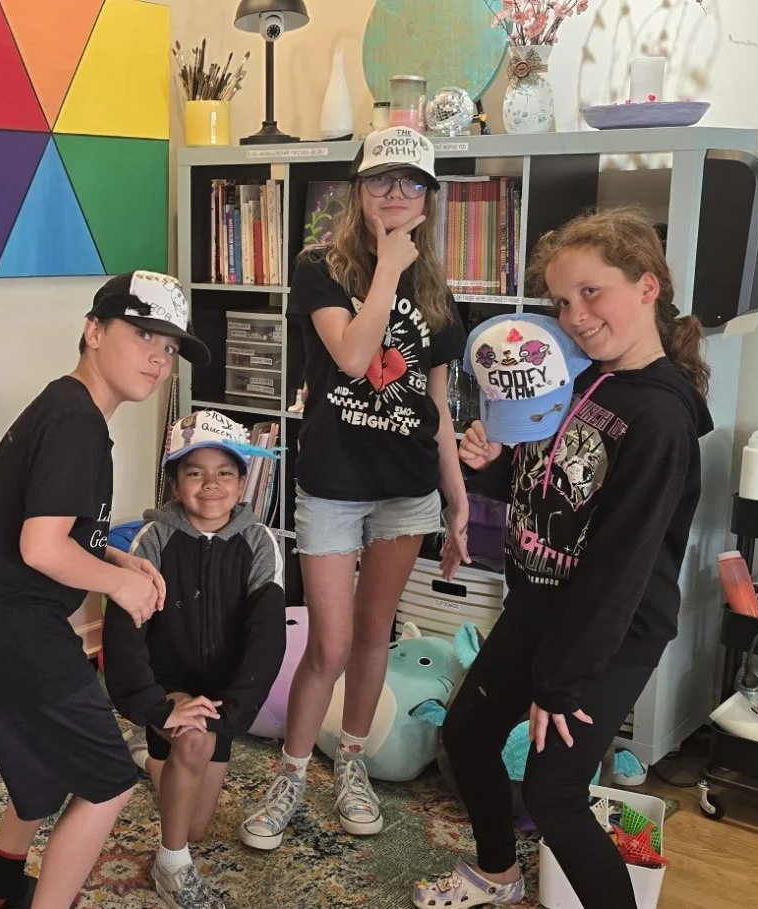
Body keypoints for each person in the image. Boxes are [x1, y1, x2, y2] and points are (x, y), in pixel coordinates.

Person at [410, 208, 712, 909]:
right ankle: (496, 872)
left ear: (647, 287)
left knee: (553, 794)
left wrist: (561, 681)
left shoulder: (661, 419)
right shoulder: (574, 377)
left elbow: (619, 564)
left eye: (591, 292)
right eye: (561, 300)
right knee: (467, 733)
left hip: (606, 632)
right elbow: (546, 481)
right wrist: (487, 468)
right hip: (539, 607)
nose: (574, 315)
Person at [0, 271, 208, 909]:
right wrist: (118, 584)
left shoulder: (68, 407)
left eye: (169, 348)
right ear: (93, 331)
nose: (157, 358)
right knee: (108, 780)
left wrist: (115, 554)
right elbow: (40, 548)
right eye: (143, 334)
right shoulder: (76, 423)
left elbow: (52, 527)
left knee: (47, 769)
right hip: (9, 624)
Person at [243, 126, 471, 851]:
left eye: (410, 184)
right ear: (357, 189)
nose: (394, 195)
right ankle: (290, 773)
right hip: (334, 487)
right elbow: (348, 355)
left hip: (407, 491)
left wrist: (457, 498)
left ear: (429, 198)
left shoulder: (436, 292)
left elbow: (436, 407)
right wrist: (385, 271)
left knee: (376, 633)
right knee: (330, 642)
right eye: (380, 181)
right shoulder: (320, 267)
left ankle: (350, 764)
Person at [104, 412, 286, 909]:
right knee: (192, 740)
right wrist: (153, 705)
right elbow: (124, 631)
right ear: (175, 481)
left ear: (243, 480)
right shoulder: (154, 539)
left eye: (224, 473)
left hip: (223, 692)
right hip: (168, 684)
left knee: (197, 823)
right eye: (194, 472)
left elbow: (268, 637)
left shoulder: (260, 543)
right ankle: (171, 865)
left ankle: (145, 754)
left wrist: (239, 708)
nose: (211, 485)